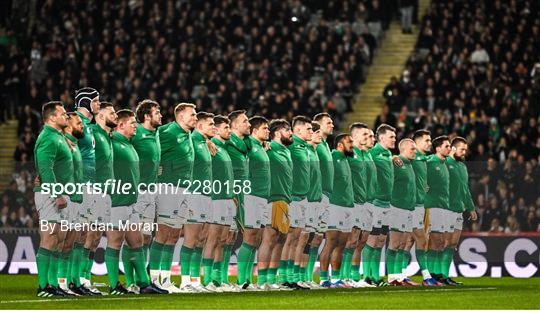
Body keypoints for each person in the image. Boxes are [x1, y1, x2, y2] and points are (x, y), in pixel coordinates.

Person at [109, 109, 165, 294]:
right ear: (121, 124)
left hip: (140, 196)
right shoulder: (113, 140)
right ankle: (122, 283)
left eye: (135, 123)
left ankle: (143, 282)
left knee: (140, 239)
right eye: (132, 123)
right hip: (121, 198)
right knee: (116, 241)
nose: (135, 127)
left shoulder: (147, 136)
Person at [155, 103, 196, 292]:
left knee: (173, 235)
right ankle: (155, 279)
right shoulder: (167, 131)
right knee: (163, 234)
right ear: (180, 117)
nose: (195, 117)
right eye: (192, 114)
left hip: (184, 188)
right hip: (168, 186)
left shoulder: (188, 134)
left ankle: (166, 278)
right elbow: (151, 149)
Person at [34, 101, 72, 298]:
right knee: (49, 238)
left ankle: (53, 283)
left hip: (61, 192)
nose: (66, 116)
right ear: (52, 118)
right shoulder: (48, 138)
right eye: (63, 113)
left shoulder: (58, 136)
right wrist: (55, 194)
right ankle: (43, 286)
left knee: (58, 239)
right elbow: (45, 168)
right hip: (51, 195)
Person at [131, 100, 165, 289]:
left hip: (151, 192)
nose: (160, 115)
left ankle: (142, 279)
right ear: (146, 116)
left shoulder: (158, 132)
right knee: (134, 238)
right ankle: (133, 281)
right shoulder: (134, 132)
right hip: (135, 192)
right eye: (157, 112)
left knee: (146, 237)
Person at [74, 87, 102, 295]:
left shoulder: (88, 125)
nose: (99, 104)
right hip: (81, 183)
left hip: (92, 184)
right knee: (78, 234)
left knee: (87, 235)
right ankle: (73, 279)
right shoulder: (73, 123)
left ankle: (81, 279)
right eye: (96, 101)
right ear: (85, 102)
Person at [205, 115, 239, 292]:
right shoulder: (209, 146)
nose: (229, 131)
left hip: (228, 199)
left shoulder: (224, 148)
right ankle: (209, 280)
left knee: (226, 240)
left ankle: (220, 279)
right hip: (216, 199)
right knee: (214, 239)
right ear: (216, 130)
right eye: (226, 128)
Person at [182, 112, 215, 291]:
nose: (214, 128)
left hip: (206, 195)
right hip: (194, 194)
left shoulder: (203, 142)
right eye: (211, 124)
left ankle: (195, 280)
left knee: (201, 239)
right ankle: (186, 279)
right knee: (191, 239)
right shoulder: (191, 139)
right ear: (200, 126)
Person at [319, 133, 355, 288]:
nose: (352, 145)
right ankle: (323, 279)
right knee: (331, 242)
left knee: (341, 244)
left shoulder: (347, 159)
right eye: (349, 142)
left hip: (347, 206)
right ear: (340, 144)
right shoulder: (333, 156)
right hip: (335, 205)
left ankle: (336, 278)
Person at [283, 116, 312, 290]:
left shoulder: (305, 147)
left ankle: (292, 277)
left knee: (297, 240)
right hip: (292, 198)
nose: (311, 131)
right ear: (298, 130)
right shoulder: (292, 146)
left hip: (303, 198)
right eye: (308, 129)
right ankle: (284, 277)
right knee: (289, 239)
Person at [365, 124, 396, 286]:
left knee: (380, 241)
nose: (394, 139)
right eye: (391, 137)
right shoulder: (372, 153)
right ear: (381, 138)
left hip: (387, 204)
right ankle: (368, 276)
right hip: (376, 202)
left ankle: (375, 277)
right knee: (372, 240)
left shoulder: (388, 154)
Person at [408, 130, 440, 286]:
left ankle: (399, 275)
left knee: (408, 242)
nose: (430, 143)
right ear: (417, 142)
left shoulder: (425, 160)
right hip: (411, 206)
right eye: (427, 140)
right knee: (421, 239)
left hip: (421, 205)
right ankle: (427, 277)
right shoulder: (411, 158)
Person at [58, 112, 85, 295]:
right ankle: (57, 282)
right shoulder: (62, 143)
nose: (82, 125)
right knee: (59, 243)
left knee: (70, 243)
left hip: (76, 199)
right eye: (79, 122)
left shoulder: (74, 144)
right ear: (68, 125)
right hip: (65, 199)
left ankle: (66, 283)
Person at [224, 110, 252, 289]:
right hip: (229, 194)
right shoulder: (226, 143)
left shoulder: (245, 144)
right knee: (226, 237)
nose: (248, 124)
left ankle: (240, 279)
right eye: (245, 121)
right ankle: (217, 278)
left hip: (243, 194)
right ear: (234, 126)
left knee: (237, 236)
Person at [444, 137, 478, 285]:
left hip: (458, 210)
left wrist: (471, 208)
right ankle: (436, 274)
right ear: (452, 148)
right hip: (445, 209)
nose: (464, 152)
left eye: (465, 150)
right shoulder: (444, 163)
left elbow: (465, 190)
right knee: (442, 244)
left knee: (452, 245)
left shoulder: (462, 166)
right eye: (461, 149)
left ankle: (444, 275)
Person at [243, 116, 271, 290]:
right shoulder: (248, 144)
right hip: (251, 196)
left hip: (262, 198)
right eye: (264, 128)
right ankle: (242, 281)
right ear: (254, 131)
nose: (268, 131)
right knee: (250, 238)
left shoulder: (261, 147)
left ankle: (248, 280)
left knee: (256, 239)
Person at [266, 119, 294, 289]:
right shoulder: (269, 148)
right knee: (270, 239)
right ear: (277, 133)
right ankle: (265, 280)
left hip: (285, 198)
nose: (290, 133)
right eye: (287, 130)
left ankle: (272, 278)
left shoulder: (286, 150)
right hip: (274, 197)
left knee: (281, 239)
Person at [347, 123, 376, 288]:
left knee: (362, 241)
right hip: (355, 204)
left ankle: (355, 277)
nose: (369, 138)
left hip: (368, 203)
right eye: (365, 135)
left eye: (370, 135)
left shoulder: (368, 155)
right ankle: (344, 276)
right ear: (355, 136)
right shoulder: (350, 154)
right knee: (351, 241)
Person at [387, 139, 418, 286]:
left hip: (408, 209)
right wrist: (391, 157)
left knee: (403, 244)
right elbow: (384, 168)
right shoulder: (396, 163)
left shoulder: (409, 165)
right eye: (412, 149)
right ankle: (392, 277)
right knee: (394, 243)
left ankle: (400, 276)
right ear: (403, 149)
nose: (415, 151)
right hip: (396, 208)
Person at [424, 136, 451, 285]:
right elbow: (416, 169)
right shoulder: (430, 161)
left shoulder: (445, 163)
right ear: (438, 148)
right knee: (434, 241)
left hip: (443, 206)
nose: (449, 148)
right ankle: (431, 274)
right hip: (432, 206)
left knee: (441, 242)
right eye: (446, 146)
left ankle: (437, 273)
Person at [303, 121, 324, 289]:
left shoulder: (315, 152)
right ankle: (299, 276)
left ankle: (307, 276)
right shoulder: (306, 152)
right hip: (308, 201)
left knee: (315, 240)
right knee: (305, 240)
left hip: (318, 201)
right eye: (315, 131)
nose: (318, 134)